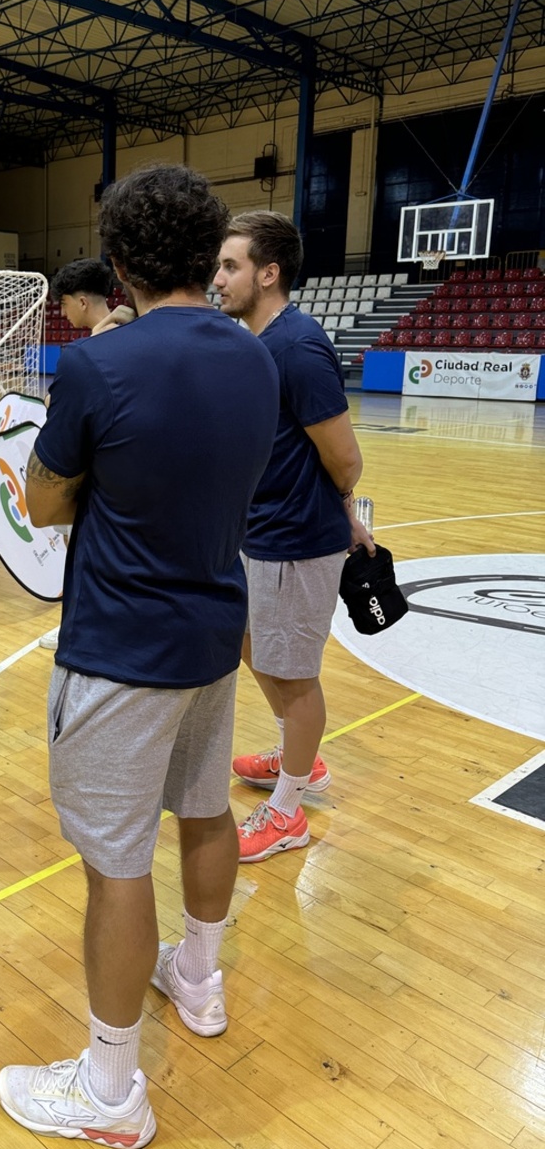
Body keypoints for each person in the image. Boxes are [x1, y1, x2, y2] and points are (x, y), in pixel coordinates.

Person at [0, 165, 279, 1149]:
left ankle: (112, 1088)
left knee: (115, 867)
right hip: (210, 636)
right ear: (210, 257)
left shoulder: (96, 367)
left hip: (117, 649)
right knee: (204, 810)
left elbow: (40, 501)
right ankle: (197, 980)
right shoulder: (256, 359)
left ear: (117, 265)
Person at [213, 211, 374, 863]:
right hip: (262, 533)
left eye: (231, 265)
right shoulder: (259, 341)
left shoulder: (298, 347)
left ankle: (287, 812)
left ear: (268, 272)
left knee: (295, 674)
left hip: (299, 540)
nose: (218, 278)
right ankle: (296, 750)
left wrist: (344, 513)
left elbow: (346, 458)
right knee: (253, 644)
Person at [49, 256, 117, 332]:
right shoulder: (129, 333)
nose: (63, 313)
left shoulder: (84, 344)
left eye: (64, 304)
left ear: (83, 303)